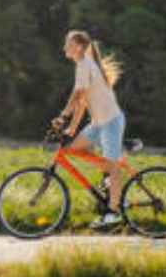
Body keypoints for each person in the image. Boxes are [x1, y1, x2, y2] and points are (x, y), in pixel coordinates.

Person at [54, 29, 127, 229]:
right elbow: (83, 102)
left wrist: (63, 116)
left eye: (67, 44)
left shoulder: (85, 65)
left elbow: (77, 95)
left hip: (111, 122)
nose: (64, 48)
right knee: (74, 149)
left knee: (113, 166)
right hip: (97, 124)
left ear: (78, 46)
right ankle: (111, 186)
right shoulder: (83, 66)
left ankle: (114, 211)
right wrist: (72, 127)